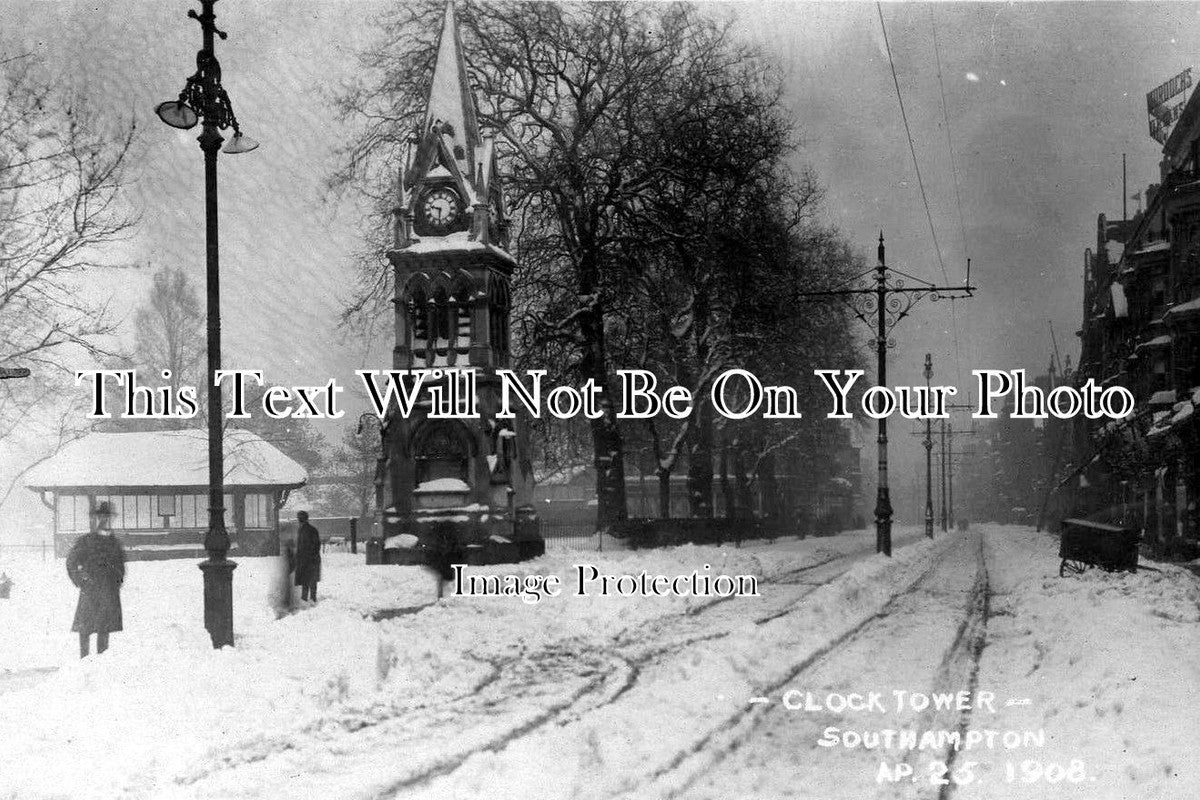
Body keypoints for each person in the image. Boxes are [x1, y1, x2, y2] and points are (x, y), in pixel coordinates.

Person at [66, 502, 125, 658]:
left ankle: (100, 664)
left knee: (104, 629)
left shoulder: (114, 543)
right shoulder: (86, 541)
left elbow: (120, 566)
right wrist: (81, 579)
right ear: (97, 519)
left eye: (108, 517)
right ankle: (83, 661)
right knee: (85, 629)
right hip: (90, 591)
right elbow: (71, 562)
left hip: (108, 592)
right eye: (102, 517)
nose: (105, 520)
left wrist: (116, 582)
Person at [294, 511, 321, 603]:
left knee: (308, 581)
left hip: (309, 559)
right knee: (309, 580)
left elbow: (315, 545)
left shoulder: (305, 530)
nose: (299, 520)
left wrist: (306, 556)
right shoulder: (307, 529)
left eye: (299, 518)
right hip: (309, 559)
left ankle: (308, 599)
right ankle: (309, 599)